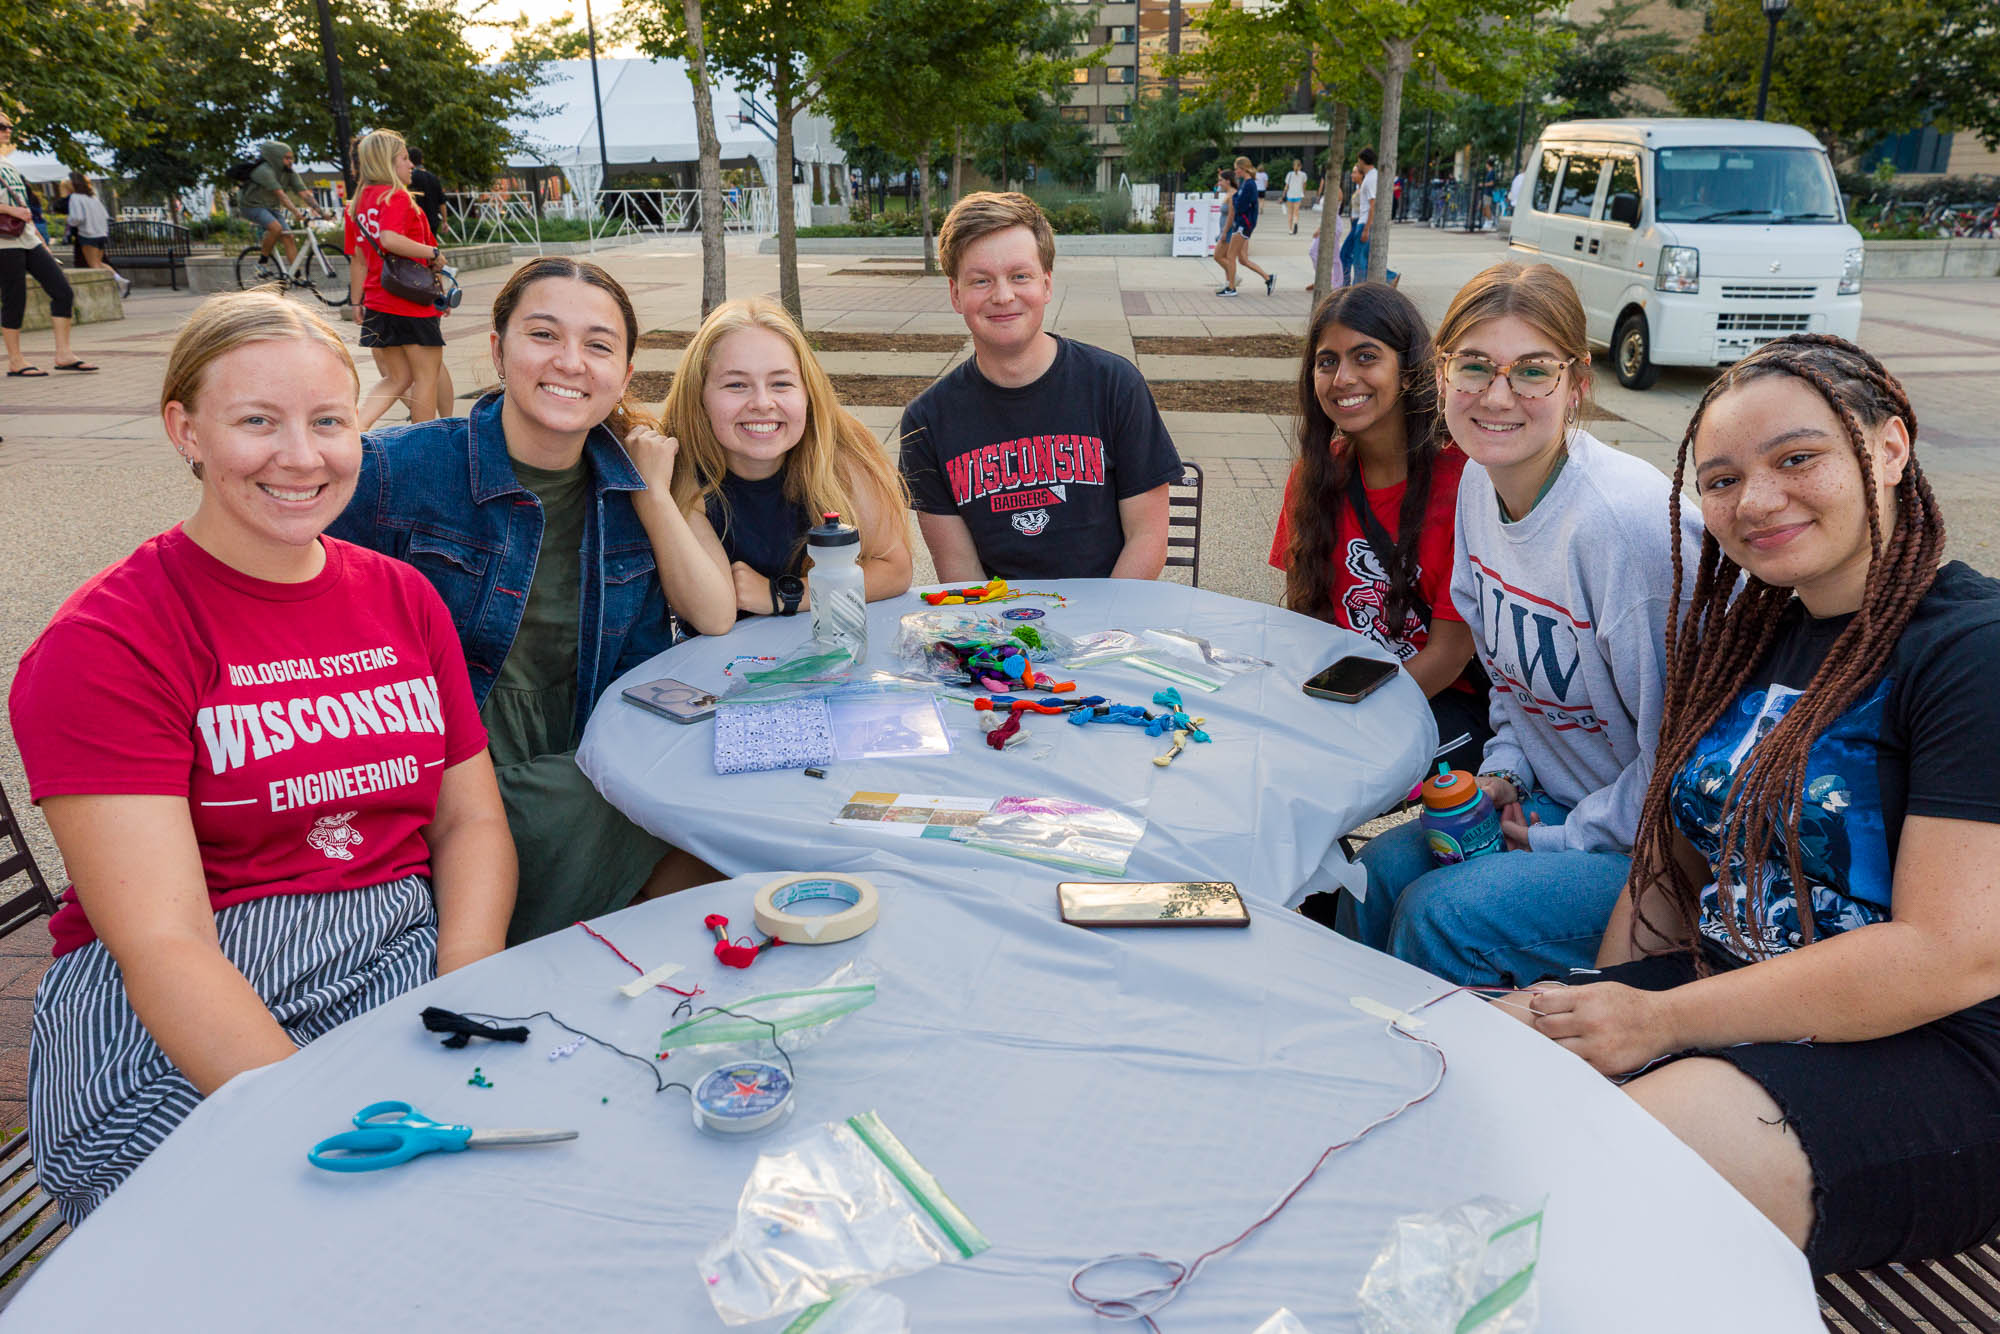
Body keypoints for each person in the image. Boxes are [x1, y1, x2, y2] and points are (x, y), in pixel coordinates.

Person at [9, 289, 515, 1226]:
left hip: (395, 960)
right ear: (184, 430)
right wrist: (312, 1116)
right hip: (179, 1012)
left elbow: (469, 817)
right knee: (280, 1234)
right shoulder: (110, 641)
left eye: (329, 421)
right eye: (256, 421)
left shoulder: (403, 598)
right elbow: (163, 940)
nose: (301, 456)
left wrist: (465, 988)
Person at [1520, 334, 2000, 1279]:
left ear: (1890, 448)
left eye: (1797, 459)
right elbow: (1678, 856)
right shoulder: (1755, 632)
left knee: (1588, 1183)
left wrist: (1658, 1025)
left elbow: (1951, 954)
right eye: (1722, 478)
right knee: (1476, 1079)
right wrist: (1610, 1003)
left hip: (1938, 1055)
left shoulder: (1972, 652)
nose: (1757, 501)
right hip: (1737, 998)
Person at [329, 257, 718, 945]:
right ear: (498, 351)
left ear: (624, 376)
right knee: (658, 839)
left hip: (580, 754)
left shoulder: (632, 497)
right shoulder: (397, 470)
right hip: (449, 772)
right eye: (543, 335)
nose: (570, 362)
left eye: (598, 346)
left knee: (718, 816)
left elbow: (644, 669)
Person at [1347, 261, 1700, 985]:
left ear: (1577, 384)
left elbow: (1683, 760)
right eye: (1474, 366)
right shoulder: (1480, 482)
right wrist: (1504, 774)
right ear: (1440, 375)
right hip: (1551, 802)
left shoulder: (1621, 528)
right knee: (1374, 873)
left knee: (1438, 914)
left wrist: (1559, 838)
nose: (1498, 396)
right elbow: (1506, 677)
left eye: (1532, 371)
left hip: (1656, 850)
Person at [898, 191, 1183, 582]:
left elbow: (1147, 539)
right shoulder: (927, 421)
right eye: (981, 280)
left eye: (1020, 276)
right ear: (955, 294)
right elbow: (960, 569)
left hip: (1110, 623)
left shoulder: (1115, 386)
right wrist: (1001, 644)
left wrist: (1098, 637)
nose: (1003, 296)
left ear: (1046, 285)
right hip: (996, 632)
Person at [1268, 283, 1485, 776]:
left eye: (1365, 357)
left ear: (1408, 372)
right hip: (1346, 690)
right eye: (1327, 362)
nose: (1343, 378)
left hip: (1444, 700)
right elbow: (1307, 624)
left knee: (1321, 773)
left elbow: (1450, 655)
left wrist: (1346, 721)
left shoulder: (1464, 484)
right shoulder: (1313, 477)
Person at [661, 297, 912, 621]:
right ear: (699, 397)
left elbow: (895, 568)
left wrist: (782, 594)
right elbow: (714, 615)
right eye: (736, 384)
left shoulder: (839, 451)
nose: (762, 402)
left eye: (781, 383)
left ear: (808, 392)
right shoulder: (680, 471)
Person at [343, 129, 446, 429]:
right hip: (409, 301)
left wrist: (356, 302)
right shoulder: (396, 196)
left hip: (377, 300)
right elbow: (389, 239)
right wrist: (433, 252)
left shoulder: (358, 204)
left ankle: (355, 430)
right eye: (403, 158)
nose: (410, 164)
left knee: (396, 378)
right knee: (427, 377)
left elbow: (358, 260)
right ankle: (425, 443)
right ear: (388, 162)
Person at [1, 110, 95, 376]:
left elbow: (21, 203)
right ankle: (16, 360)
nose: (7, 130)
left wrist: (34, 231)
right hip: (3, 243)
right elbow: (13, 207)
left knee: (62, 290)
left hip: (26, 237)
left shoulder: (7, 163)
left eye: (8, 126)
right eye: (1, 126)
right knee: (14, 298)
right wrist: (10, 212)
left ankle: (64, 354)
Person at [236, 140, 317, 271]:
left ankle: (296, 275)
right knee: (276, 228)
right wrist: (296, 212)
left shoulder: (289, 172)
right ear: (276, 158)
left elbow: (305, 194)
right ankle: (262, 262)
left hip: (271, 207)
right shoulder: (264, 171)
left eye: (292, 158)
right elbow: (281, 195)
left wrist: (321, 212)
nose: (291, 161)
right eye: (287, 158)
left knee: (289, 236)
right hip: (251, 205)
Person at [64, 171, 129, 298]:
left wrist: (69, 221)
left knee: (93, 265)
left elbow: (77, 218)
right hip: (101, 233)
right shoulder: (92, 197)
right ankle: (120, 280)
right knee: (99, 262)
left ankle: (107, 289)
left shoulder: (75, 198)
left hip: (88, 234)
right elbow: (105, 215)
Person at [1219, 155, 1274, 298]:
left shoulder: (1249, 184)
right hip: (1243, 224)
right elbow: (1240, 201)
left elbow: (1241, 206)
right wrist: (1236, 198)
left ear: (1243, 169)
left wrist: (1235, 199)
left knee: (1231, 255)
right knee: (1242, 259)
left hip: (1244, 224)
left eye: (1237, 169)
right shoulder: (1246, 183)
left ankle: (1231, 288)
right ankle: (1268, 278)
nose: (1235, 172)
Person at [407, 147, 447, 243]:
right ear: (422, 160)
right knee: (431, 247)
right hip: (433, 220)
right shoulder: (433, 177)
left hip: (416, 220)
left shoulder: (409, 178)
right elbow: (442, 201)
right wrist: (445, 221)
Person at [1210, 169, 1239, 295]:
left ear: (1228, 181)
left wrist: (1224, 233)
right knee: (1225, 257)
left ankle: (1234, 278)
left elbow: (1231, 216)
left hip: (1228, 231)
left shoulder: (1232, 195)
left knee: (1218, 256)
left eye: (1221, 180)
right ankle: (1229, 283)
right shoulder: (1228, 193)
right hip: (1225, 230)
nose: (1219, 183)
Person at [1283, 158, 1308, 234]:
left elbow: (1286, 185)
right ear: (1301, 166)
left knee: (1290, 213)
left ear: (1293, 166)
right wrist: (1303, 193)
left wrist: (1284, 193)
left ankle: (1290, 230)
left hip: (1290, 195)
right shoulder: (1304, 175)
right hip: (1298, 195)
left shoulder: (1289, 174)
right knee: (1296, 212)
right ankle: (1296, 223)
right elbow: (1304, 186)